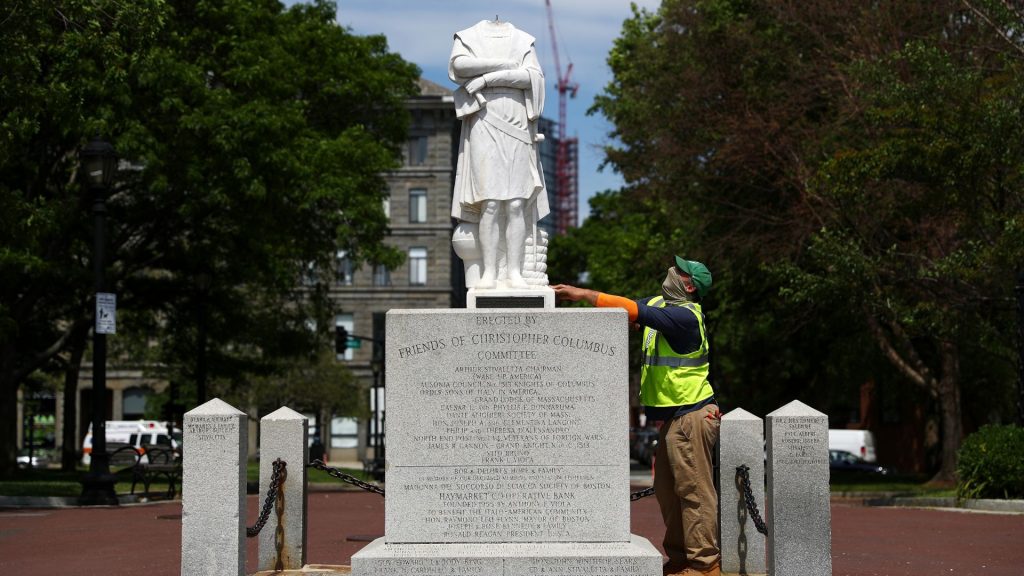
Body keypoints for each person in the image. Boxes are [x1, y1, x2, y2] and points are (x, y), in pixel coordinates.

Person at [552, 256, 721, 576]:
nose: (671, 271)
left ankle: (705, 565)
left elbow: (637, 312)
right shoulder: (663, 303)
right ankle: (681, 559)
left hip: (692, 414)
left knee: (694, 493)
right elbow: (628, 307)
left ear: (687, 285)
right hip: (674, 418)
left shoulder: (685, 316)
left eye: (678, 270)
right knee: (669, 492)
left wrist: (582, 294)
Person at [449, 19, 549, 289]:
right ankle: (490, 272)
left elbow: (532, 77)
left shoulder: (524, 39)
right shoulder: (468, 35)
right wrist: (505, 65)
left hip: (517, 121)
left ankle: (513, 272)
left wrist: (486, 78)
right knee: (490, 204)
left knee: (516, 203)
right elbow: (459, 67)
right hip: (484, 118)